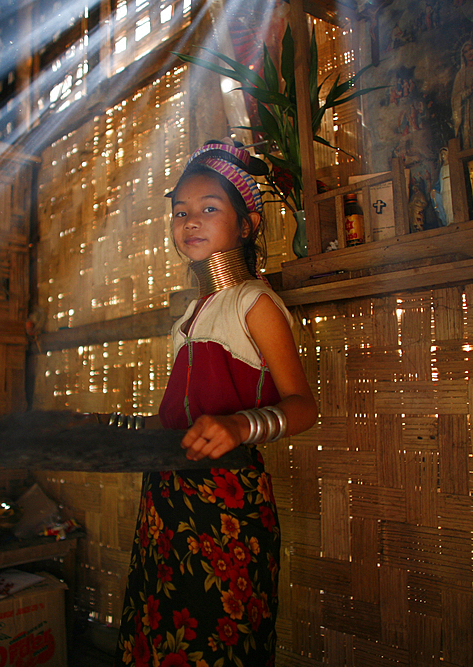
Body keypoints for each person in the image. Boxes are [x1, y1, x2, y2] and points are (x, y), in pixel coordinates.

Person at [110, 140, 318, 666]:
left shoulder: (255, 303)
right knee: (161, 633)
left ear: (246, 225)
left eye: (209, 209)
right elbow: (180, 414)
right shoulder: (189, 316)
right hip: (166, 499)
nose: (190, 221)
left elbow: (303, 407)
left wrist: (241, 428)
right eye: (181, 212)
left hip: (226, 503)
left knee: (216, 639)